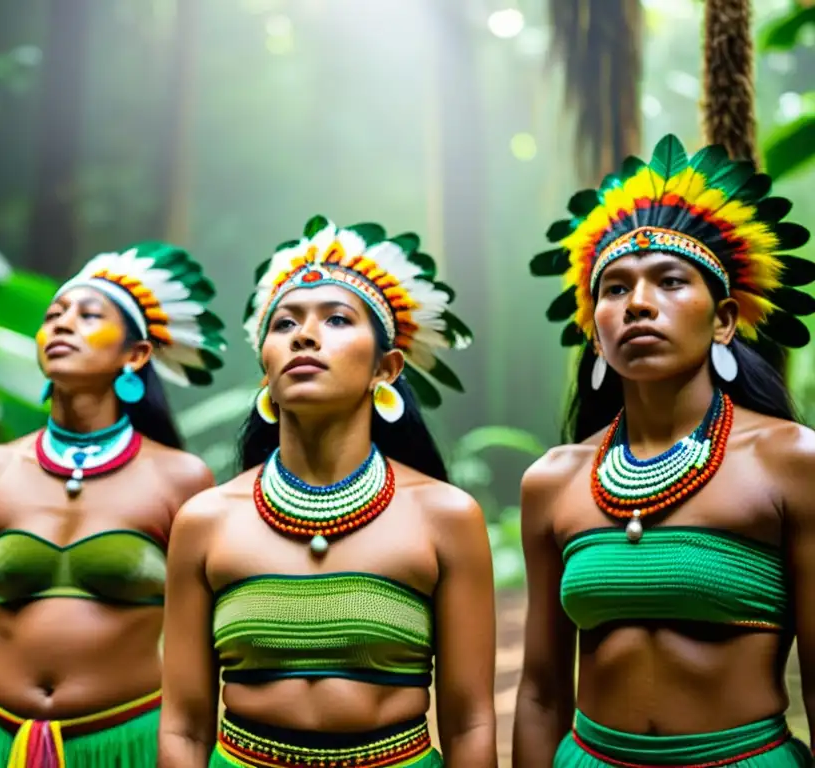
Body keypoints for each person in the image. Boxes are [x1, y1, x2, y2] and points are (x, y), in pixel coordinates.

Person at [514, 134, 815, 767]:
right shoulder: (553, 481)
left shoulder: (791, 462)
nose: (640, 305)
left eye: (671, 282)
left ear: (725, 319)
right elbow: (541, 695)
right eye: (616, 290)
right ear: (595, 334)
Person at [158, 215, 498, 768]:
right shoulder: (206, 521)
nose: (304, 335)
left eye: (337, 319)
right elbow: (182, 728)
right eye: (285, 323)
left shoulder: (446, 516)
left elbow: (471, 721)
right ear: (265, 365)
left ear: (385, 369)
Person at [0, 243, 226, 768]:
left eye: (88, 316)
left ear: (135, 356)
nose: (63, 325)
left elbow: (206, 654)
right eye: (54, 315)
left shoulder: (180, 479)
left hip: (129, 742)